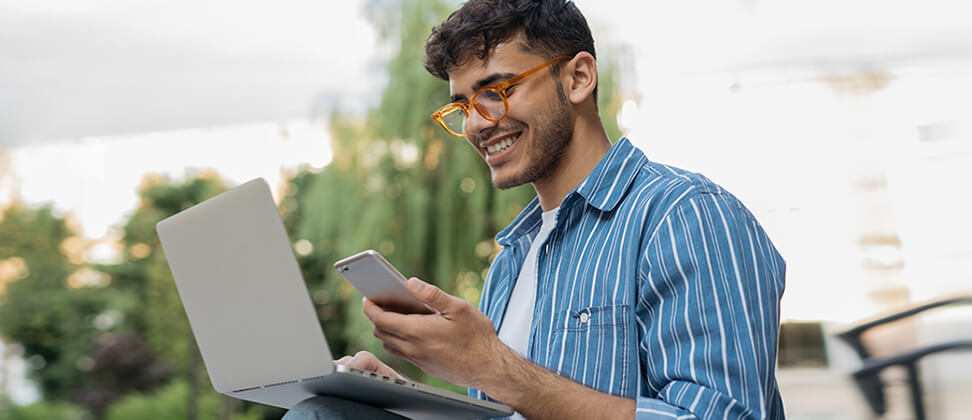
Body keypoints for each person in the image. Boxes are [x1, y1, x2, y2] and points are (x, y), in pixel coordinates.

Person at [286, 1, 785, 418]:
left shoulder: (685, 215)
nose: (475, 126)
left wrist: (489, 364)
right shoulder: (512, 259)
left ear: (579, 77)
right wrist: (404, 399)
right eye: (462, 106)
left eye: (496, 92)